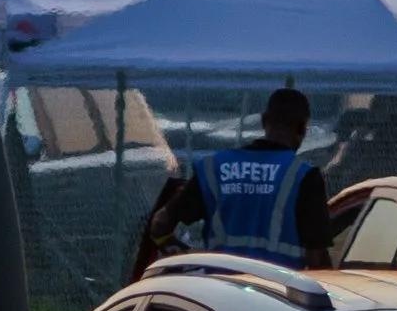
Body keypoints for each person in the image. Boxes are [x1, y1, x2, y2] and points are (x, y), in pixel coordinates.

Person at [135, 84, 333, 272]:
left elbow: (159, 224)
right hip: (278, 300)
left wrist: (185, 255)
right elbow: (317, 259)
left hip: (220, 298)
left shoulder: (214, 168)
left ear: (264, 122)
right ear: (302, 129)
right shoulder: (304, 177)